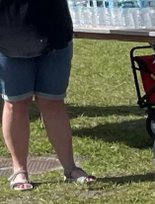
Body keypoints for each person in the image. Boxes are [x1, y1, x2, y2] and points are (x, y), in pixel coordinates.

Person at [0, 0, 96, 191]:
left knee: (53, 102)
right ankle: (19, 170)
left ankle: (70, 168)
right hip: (10, 34)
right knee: (16, 103)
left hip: (55, 32)